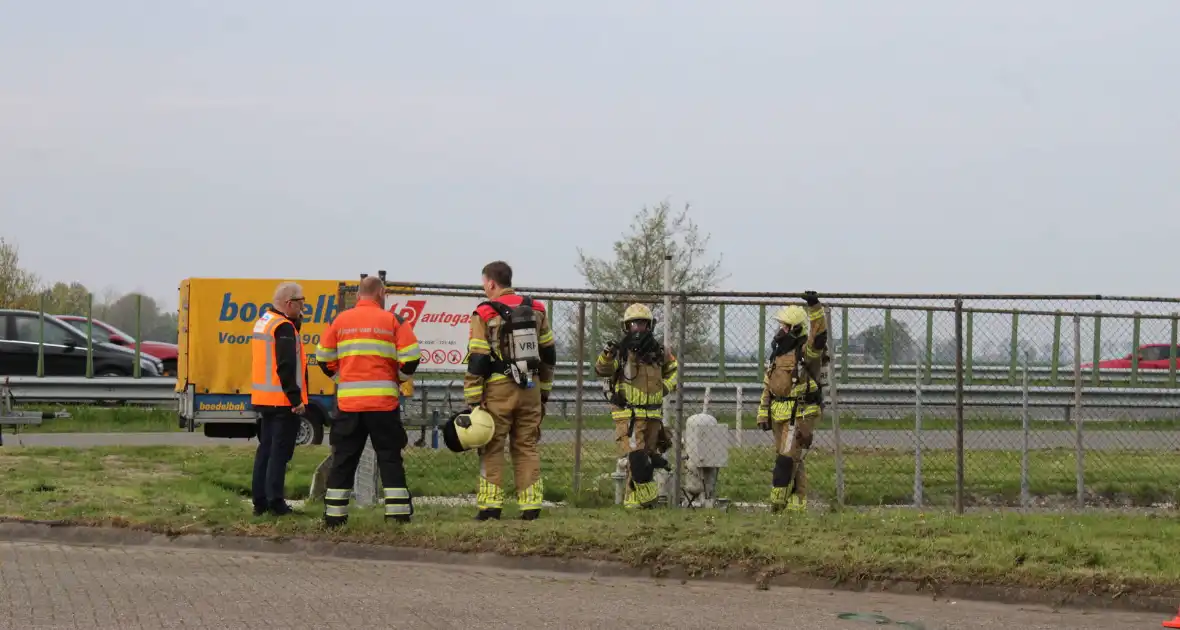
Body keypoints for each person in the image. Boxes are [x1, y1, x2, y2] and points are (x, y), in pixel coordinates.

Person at [314, 274, 421, 528]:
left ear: (359, 295)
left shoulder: (340, 321)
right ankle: (397, 516)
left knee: (343, 459)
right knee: (389, 457)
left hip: (349, 405)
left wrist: (341, 377)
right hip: (383, 405)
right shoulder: (393, 320)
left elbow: (323, 357)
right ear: (381, 293)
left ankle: (334, 517)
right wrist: (397, 377)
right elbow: (412, 358)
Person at [463, 260, 557, 521]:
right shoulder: (537, 309)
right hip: (531, 387)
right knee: (526, 445)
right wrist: (544, 391)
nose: (484, 288)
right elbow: (549, 353)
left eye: (484, 284)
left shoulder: (483, 312)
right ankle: (531, 507)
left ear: (491, 283)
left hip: (498, 389)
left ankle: (490, 508)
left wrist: (472, 399)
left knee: (492, 445)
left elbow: (479, 358)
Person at [595, 303, 678, 509]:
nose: (638, 328)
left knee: (646, 456)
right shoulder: (621, 353)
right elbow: (603, 370)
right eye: (634, 324)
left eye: (642, 324)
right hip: (629, 415)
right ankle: (646, 500)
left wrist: (664, 388)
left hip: (652, 414)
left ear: (649, 326)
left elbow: (674, 370)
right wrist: (607, 353)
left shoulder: (660, 351)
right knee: (637, 457)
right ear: (626, 327)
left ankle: (633, 501)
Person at [756, 290, 828, 512]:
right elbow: (768, 386)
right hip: (778, 412)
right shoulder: (776, 355)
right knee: (790, 458)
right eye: (781, 326)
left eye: (785, 326)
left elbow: (819, 338)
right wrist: (762, 412)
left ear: (796, 329)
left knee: (787, 460)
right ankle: (797, 501)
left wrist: (815, 308)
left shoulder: (806, 353)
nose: (781, 330)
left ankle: (777, 504)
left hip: (800, 413)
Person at [249, 281, 310, 517]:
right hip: (282, 401)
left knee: (265, 451)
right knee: (279, 454)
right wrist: (296, 399)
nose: (303, 308)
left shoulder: (265, 322)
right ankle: (276, 503)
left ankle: (260, 502)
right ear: (289, 303)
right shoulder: (283, 328)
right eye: (301, 303)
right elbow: (285, 366)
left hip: (264, 398)